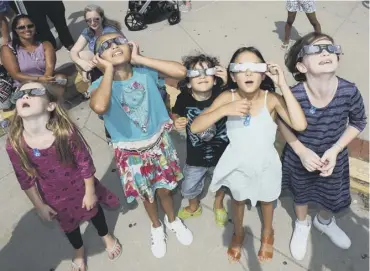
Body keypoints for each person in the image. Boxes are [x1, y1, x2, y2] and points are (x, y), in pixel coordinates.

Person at [191, 47, 307, 263]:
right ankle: (238, 232)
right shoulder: (228, 96)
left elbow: (300, 124)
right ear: (233, 76)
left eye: (255, 68)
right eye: (241, 68)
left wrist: (283, 84)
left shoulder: (270, 99)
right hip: (237, 163)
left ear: (264, 74)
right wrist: (224, 110)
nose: (248, 73)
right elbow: (196, 126)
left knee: (267, 200)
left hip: (265, 163)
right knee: (237, 199)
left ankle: (267, 233)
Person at [88, 33, 193, 258]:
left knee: (165, 189)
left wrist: (140, 59)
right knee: (147, 195)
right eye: (105, 46)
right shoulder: (99, 85)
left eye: (118, 40)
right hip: (130, 151)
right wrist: (107, 70)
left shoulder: (146, 72)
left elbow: (181, 72)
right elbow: (99, 105)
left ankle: (173, 220)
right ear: (99, 57)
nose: (114, 46)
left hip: (159, 144)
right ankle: (156, 226)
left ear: (130, 45)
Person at [6, 82, 122, 271]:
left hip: (81, 186)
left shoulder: (64, 133)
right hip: (52, 196)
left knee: (94, 212)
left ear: (50, 105)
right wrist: (40, 206)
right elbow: (24, 178)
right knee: (68, 225)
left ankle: (106, 235)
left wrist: (90, 191)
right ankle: (78, 248)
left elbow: (85, 163)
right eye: (20, 93)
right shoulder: (15, 143)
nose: (24, 96)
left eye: (34, 92)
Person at [280, 32, 367, 261]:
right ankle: (302, 223)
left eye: (330, 48)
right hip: (300, 157)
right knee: (301, 193)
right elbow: (281, 122)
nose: (325, 52)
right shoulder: (294, 95)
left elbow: (359, 121)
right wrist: (300, 150)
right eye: (315, 50)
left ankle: (324, 221)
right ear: (301, 66)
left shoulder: (349, 91)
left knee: (332, 193)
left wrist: (336, 149)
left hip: (333, 157)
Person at [171, 53, 229, 226]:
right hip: (195, 158)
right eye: (196, 73)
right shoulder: (184, 98)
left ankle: (218, 204)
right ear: (188, 82)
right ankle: (194, 206)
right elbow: (175, 112)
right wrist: (176, 120)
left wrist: (228, 83)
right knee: (188, 187)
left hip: (222, 156)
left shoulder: (224, 94)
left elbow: (240, 96)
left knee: (221, 183)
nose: (202, 76)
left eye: (207, 72)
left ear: (215, 78)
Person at [1, 14, 67, 93]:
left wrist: (44, 80)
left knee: (62, 79)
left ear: (35, 27)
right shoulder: (8, 49)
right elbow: (15, 74)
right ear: (15, 30)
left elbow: (49, 69)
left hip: (45, 81)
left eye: (30, 26)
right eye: (21, 27)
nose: (27, 29)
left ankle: (58, 102)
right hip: (24, 84)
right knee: (36, 91)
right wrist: (38, 80)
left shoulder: (46, 45)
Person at [70, 4, 124, 89]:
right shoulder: (88, 31)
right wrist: (81, 63)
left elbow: (115, 54)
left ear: (102, 18)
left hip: (114, 62)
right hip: (98, 62)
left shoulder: (109, 32)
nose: (93, 23)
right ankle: (89, 80)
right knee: (81, 55)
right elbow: (74, 51)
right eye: (89, 20)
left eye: (96, 19)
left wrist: (95, 62)